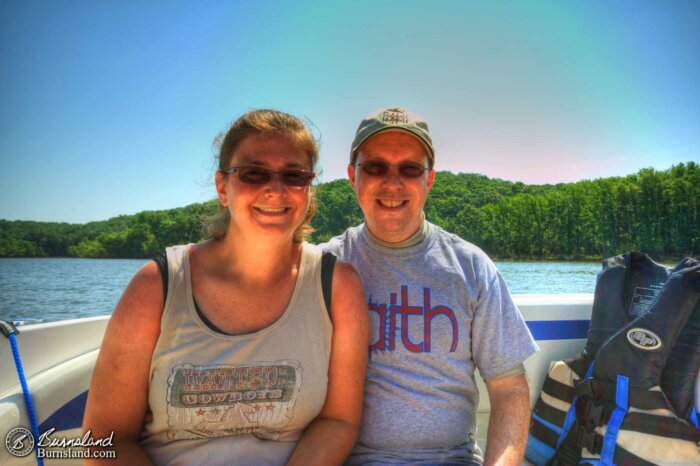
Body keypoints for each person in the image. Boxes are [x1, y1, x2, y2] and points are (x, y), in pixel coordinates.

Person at [83, 109, 369, 466]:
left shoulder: (336, 287)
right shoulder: (159, 285)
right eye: (253, 173)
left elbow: (338, 421)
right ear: (222, 187)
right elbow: (103, 439)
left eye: (294, 176)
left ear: (308, 190)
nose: (275, 189)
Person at [320, 107, 539, 465]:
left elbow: (509, 388)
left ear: (429, 181)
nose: (392, 183)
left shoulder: (470, 267)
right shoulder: (325, 266)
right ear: (351, 177)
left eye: (410, 169)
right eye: (375, 167)